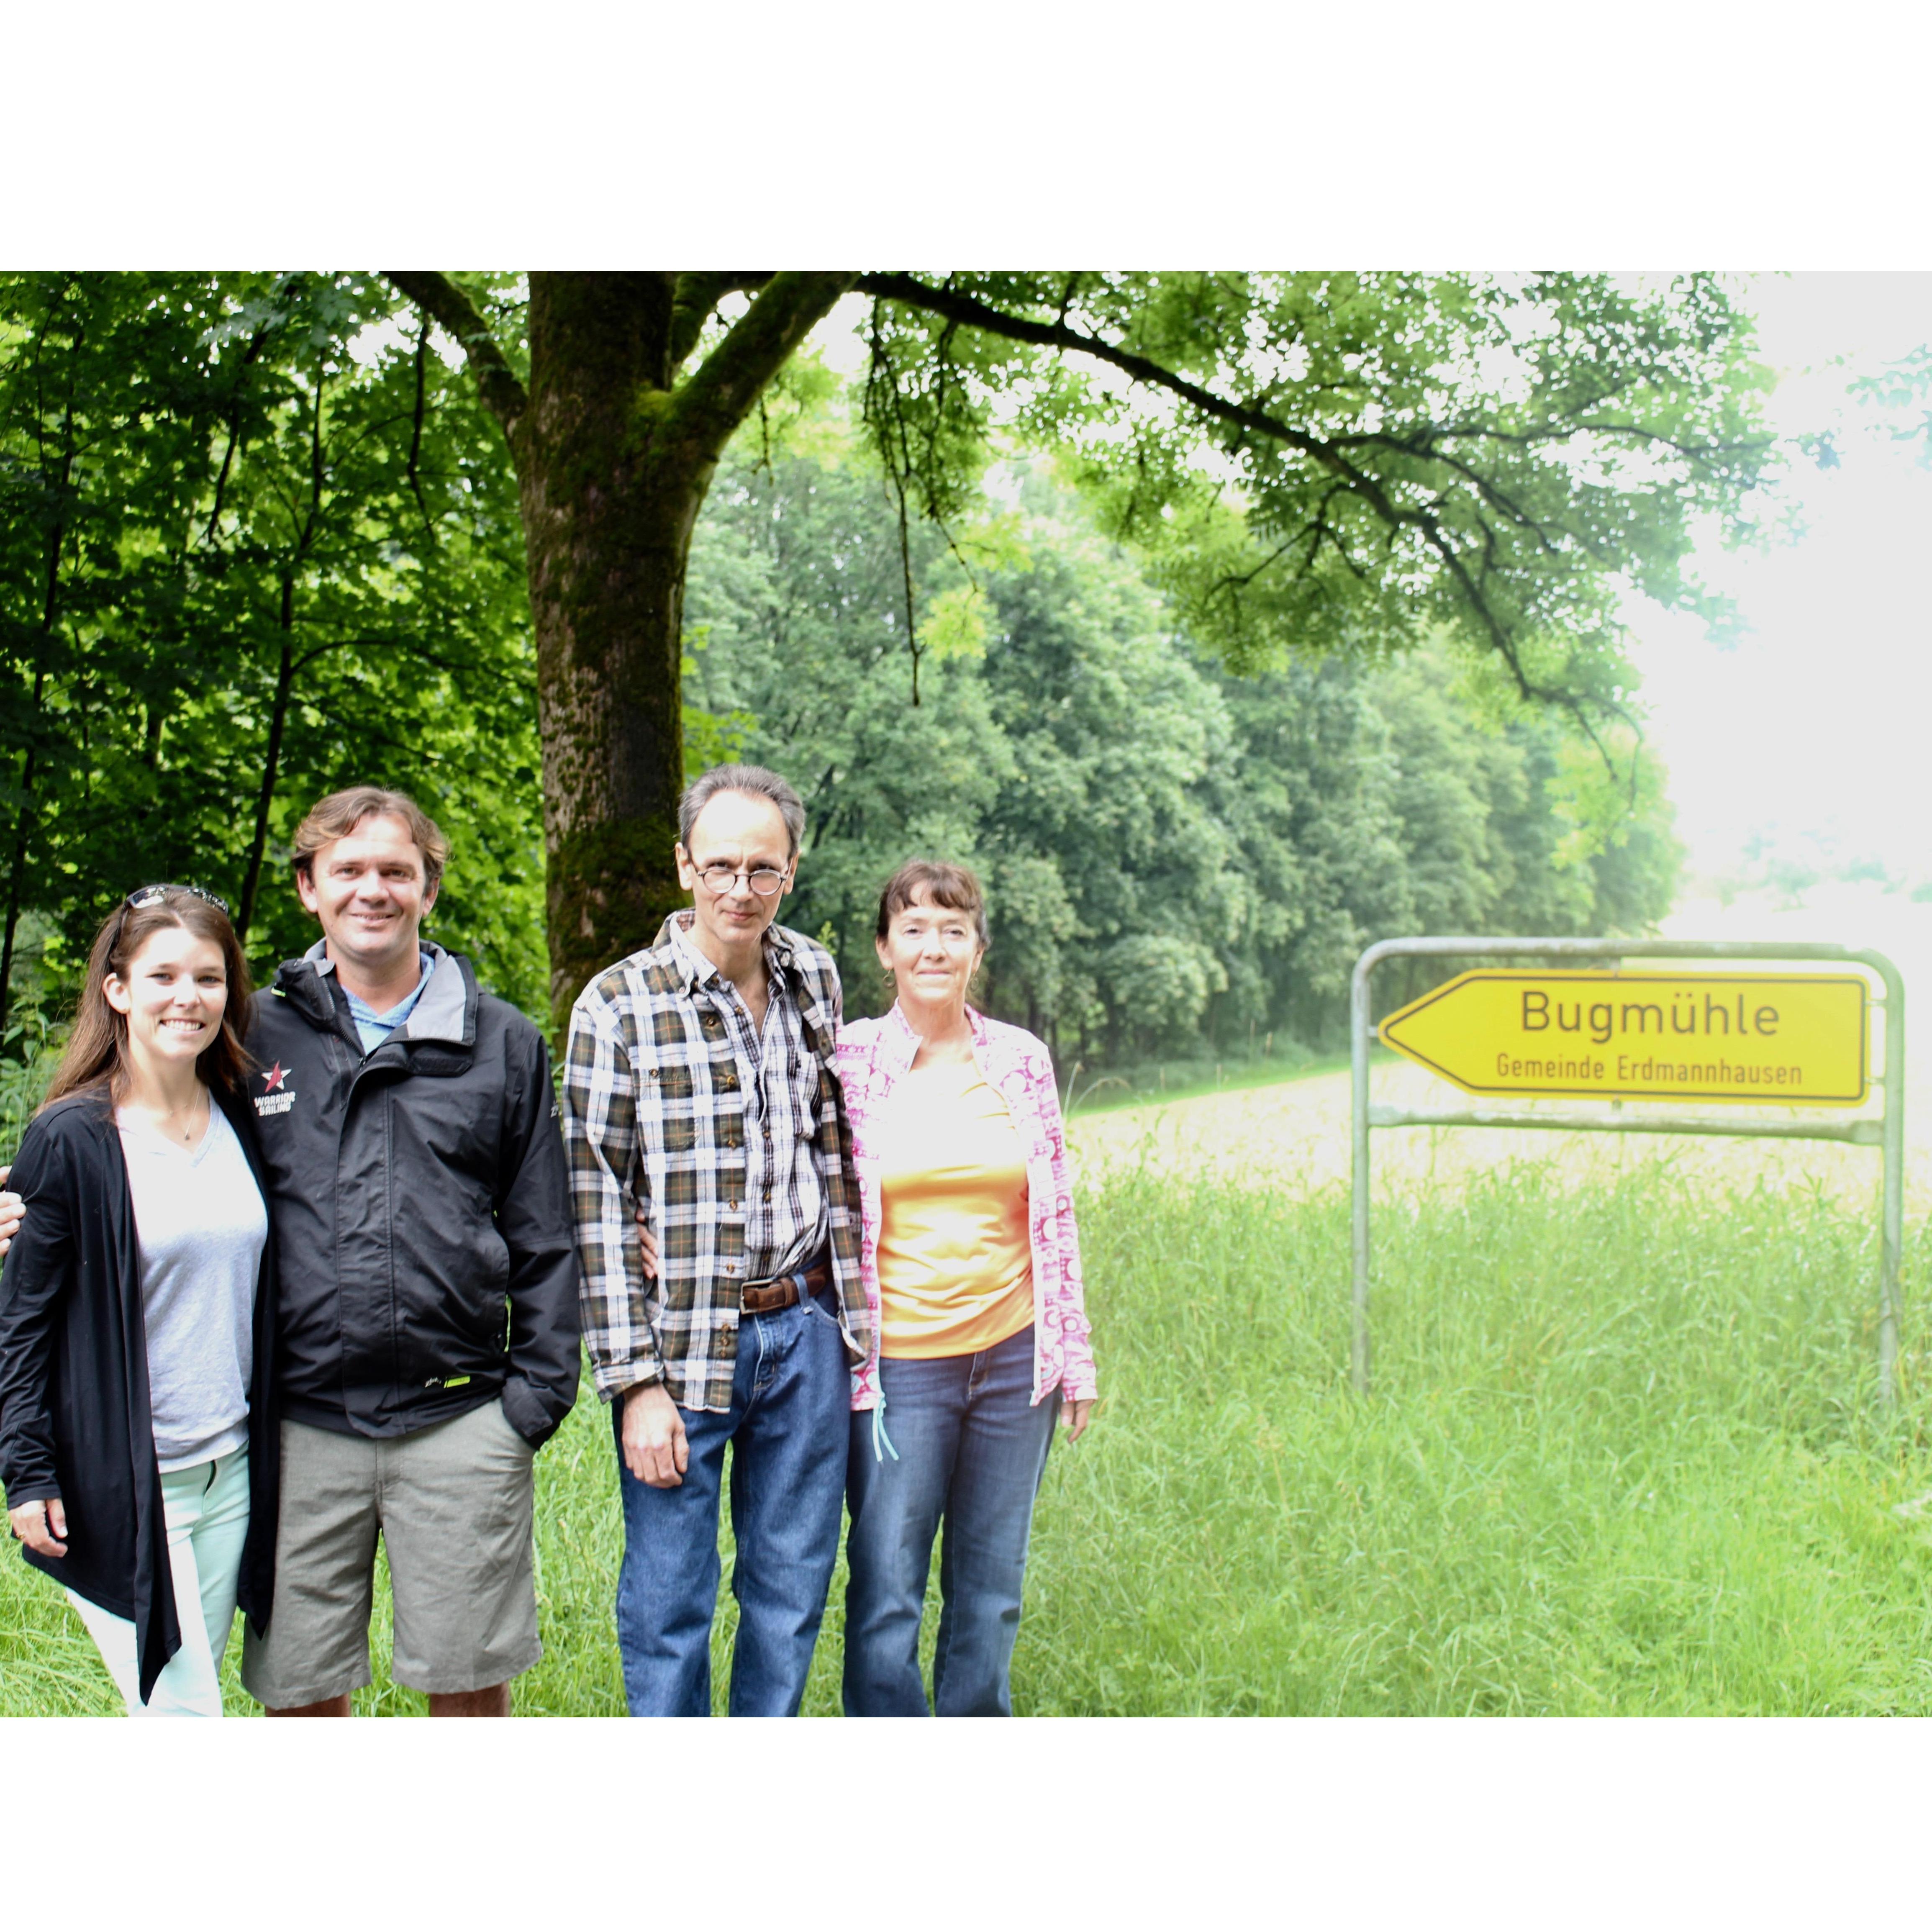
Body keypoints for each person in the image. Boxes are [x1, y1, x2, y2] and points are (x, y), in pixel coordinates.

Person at [227, 785, 580, 1718]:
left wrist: (531, 1401)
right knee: (300, 1692)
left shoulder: (502, 1040)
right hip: (300, 1421)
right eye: (348, 869)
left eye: (396, 870)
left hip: (458, 1421)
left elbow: (544, 1234)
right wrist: (46, 1201)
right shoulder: (252, 1033)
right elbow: (158, 1146)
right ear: (309, 887)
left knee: (465, 1688)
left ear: (429, 889)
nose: (371, 889)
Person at [564, 762, 872, 1716]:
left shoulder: (813, 975)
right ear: (684, 864)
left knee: (787, 1592)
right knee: (669, 1599)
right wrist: (632, 1384)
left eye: (762, 869)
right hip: (680, 1345)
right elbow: (594, 1200)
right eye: (721, 866)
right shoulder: (617, 1004)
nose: (740, 889)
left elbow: (836, 1140)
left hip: (804, 1329)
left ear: (791, 869)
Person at [0, 885, 278, 1716]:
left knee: (177, 1706)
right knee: (187, 1714)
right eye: (162, 975)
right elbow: (23, 1322)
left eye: (209, 976)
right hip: (124, 1478)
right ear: (117, 989)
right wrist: (25, 1469)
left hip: (232, 1469)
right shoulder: (71, 1138)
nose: (187, 997)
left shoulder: (244, 1112)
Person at [832, 860, 1097, 1716]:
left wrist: (1075, 1356)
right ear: (884, 948)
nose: (933, 946)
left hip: (1013, 1361)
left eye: (952, 928)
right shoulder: (847, 1059)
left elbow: (1052, 1209)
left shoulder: (1020, 1060)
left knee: (990, 1590)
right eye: (914, 928)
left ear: (976, 948)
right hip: (899, 1368)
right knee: (886, 1591)